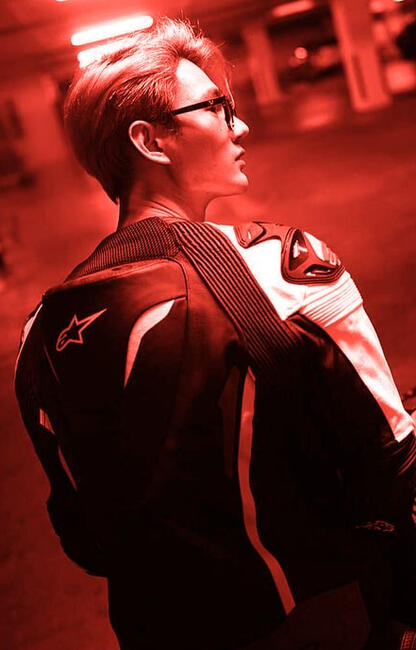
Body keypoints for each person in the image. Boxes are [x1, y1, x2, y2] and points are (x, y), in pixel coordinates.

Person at [15, 17, 416, 650]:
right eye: (217, 107)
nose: (241, 125)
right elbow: (393, 463)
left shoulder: (39, 332)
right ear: (151, 141)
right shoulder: (280, 267)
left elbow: (84, 539)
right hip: (318, 619)